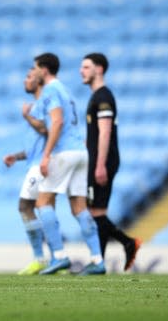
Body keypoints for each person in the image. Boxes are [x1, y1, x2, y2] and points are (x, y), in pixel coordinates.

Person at [32, 52, 106, 276]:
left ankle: (59, 256)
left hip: (64, 152)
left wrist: (46, 155)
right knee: (79, 207)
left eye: (35, 68)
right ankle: (97, 259)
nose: (34, 72)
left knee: (43, 202)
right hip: (80, 153)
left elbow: (57, 121)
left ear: (44, 70)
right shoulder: (65, 90)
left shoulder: (51, 90)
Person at [80, 53, 142, 271]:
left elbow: (105, 132)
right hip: (97, 158)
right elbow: (95, 134)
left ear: (99, 69)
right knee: (96, 213)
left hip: (103, 160)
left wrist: (99, 165)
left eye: (86, 67)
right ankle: (101, 261)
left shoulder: (104, 97)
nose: (82, 71)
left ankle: (120, 248)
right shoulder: (97, 96)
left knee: (95, 213)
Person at [3, 69, 47, 275]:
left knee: (26, 207)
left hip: (42, 165)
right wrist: (17, 156)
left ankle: (43, 257)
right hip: (36, 162)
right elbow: (36, 145)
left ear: (40, 79)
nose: (25, 80)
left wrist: (27, 117)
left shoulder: (44, 104)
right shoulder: (39, 105)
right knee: (36, 207)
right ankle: (52, 256)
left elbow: (48, 130)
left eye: (29, 77)